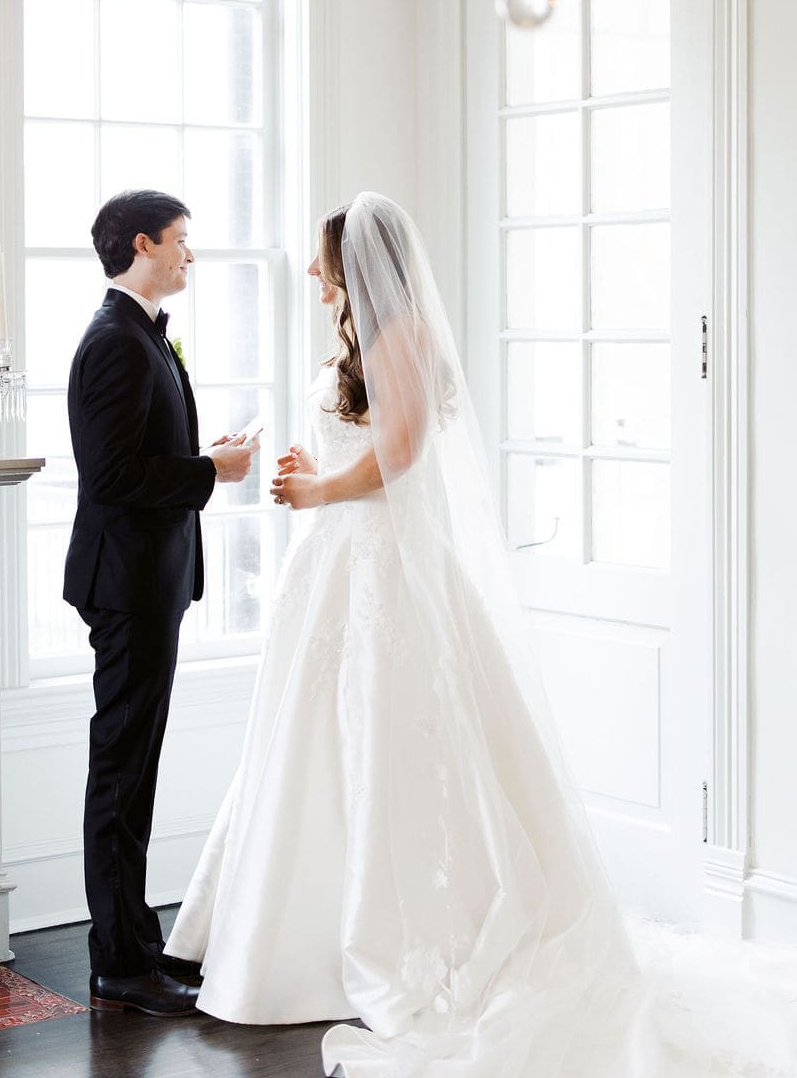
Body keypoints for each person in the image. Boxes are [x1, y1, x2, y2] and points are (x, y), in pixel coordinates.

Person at [167, 193, 797, 1077]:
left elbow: (404, 451)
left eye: (321, 259)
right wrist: (317, 473)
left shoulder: (402, 338)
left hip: (383, 565)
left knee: (394, 739)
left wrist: (319, 491)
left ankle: (406, 937)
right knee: (322, 744)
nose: (311, 272)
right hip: (339, 563)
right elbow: (369, 441)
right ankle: (290, 932)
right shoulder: (361, 340)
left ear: (355, 265)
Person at [64, 189, 257, 1020]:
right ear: (142, 244)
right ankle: (116, 962)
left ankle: (138, 944)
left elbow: (142, 456)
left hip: (150, 581)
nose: (190, 255)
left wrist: (202, 458)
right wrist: (212, 471)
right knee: (120, 769)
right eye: (182, 240)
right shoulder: (114, 342)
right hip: (127, 585)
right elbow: (109, 478)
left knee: (135, 766)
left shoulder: (144, 334)